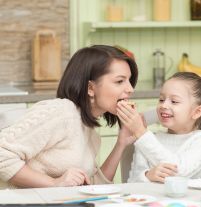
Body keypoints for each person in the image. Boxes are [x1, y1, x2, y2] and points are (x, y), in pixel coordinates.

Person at [0, 45, 138, 188]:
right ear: (90, 88)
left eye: (129, 80)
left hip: (54, 206)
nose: (130, 89)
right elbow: (2, 154)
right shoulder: (60, 112)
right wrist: (53, 183)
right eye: (119, 81)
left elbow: (92, 187)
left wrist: (121, 143)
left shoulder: (90, 133)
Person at [117, 72, 201, 183]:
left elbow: (179, 172)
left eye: (174, 101)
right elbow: (132, 183)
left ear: (197, 111)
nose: (164, 105)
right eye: (161, 99)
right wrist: (147, 176)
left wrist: (141, 132)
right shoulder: (149, 139)